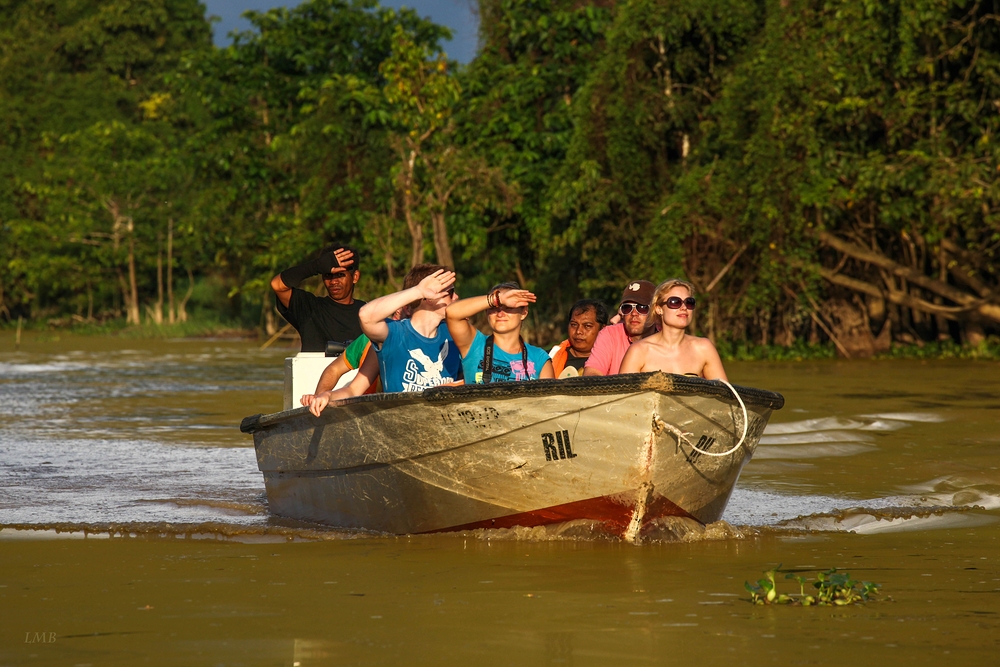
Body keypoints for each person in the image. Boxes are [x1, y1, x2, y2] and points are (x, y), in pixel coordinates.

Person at [359, 264, 462, 392]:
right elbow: (365, 316)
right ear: (429, 297)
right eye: (450, 293)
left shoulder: (455, 334)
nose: (456, 297)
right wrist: (418, 291)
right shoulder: (395, 334)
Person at [619, 279, 728, 380]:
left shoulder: (704, 348)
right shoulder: (638, 351)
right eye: (675, 302)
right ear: (659, 309)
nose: (684, 308)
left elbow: (725, 396)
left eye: (689, 302)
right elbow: (623, 398)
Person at [446, 282, 554, 383]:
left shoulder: (539, 358)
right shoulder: (474, 345)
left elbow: (548, 402)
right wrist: (497, 299)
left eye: (508, 308)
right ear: (486, 312)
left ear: (524, 312)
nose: (500, 313)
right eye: (494, 307)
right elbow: (451, 312)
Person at [270, 244, 364, 352]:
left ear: (355, 277)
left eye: (340, 275)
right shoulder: (309, 308)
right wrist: (316, 266)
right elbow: (277, 285)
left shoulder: (368, 313)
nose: (333, 281)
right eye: (328, 276)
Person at [583, 280, 658, 376]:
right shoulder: (610, 334)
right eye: (627, 308)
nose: (634, 313)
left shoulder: (666, 337)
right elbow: (591, 373)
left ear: (655, 311)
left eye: (642, 308)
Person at [549, 299, 609, 378]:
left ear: (602, 329)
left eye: (587, 326)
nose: (578, 331)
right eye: (574, 325)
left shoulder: (612, 359)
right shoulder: (550, 357)